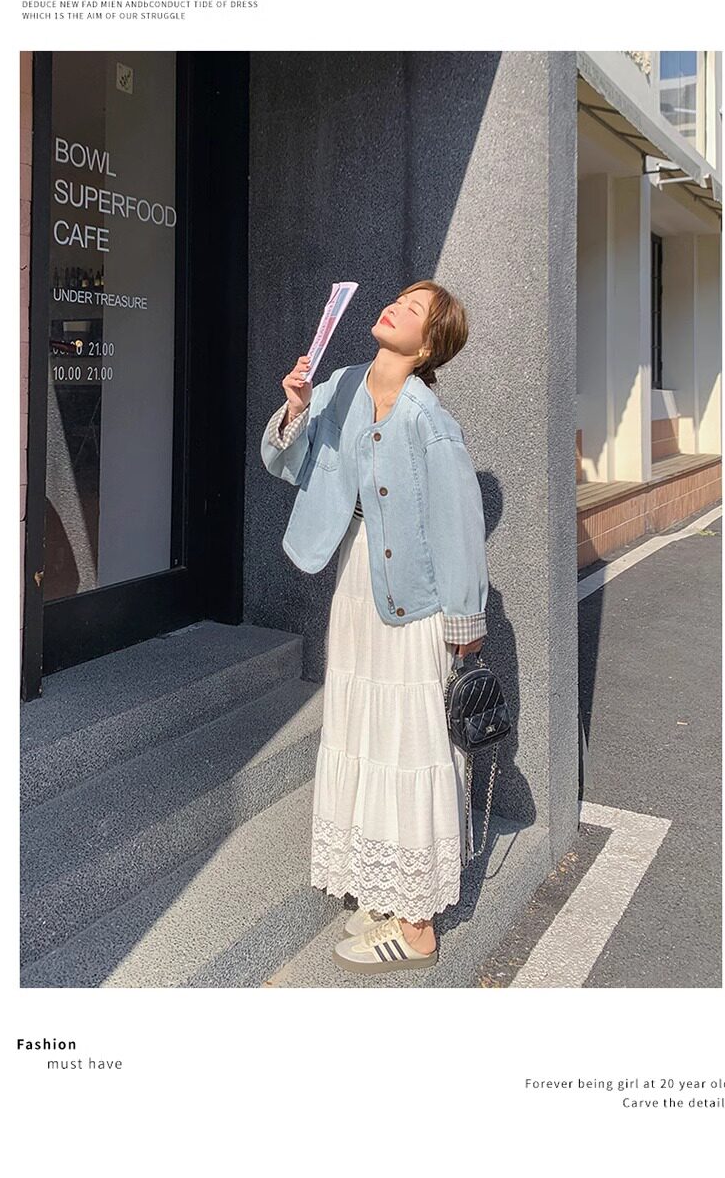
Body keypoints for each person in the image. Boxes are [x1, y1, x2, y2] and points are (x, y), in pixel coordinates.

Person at [260, 280, 489, 974]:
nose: (396, 307)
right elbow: (288, 464)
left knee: (410, 736)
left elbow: (458, 520)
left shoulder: (428, 417)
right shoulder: (339, 385)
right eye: (401, 298)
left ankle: (416, 927)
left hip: (415, 597)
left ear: (428, 345)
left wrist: (465, 617)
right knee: (365, 729)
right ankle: (388, 890)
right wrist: (296, 408)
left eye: (415, 309)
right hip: (358, 581)